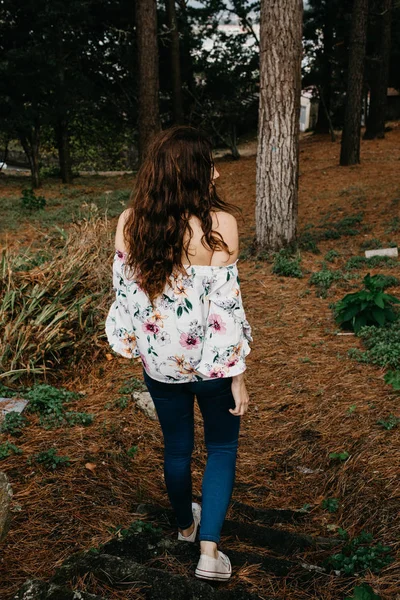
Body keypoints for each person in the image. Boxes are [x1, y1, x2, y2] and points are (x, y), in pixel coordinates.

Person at [105, 125, 252, 581]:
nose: (217, 173)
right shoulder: (221, 225)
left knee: (177, 448)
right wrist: (238, 373)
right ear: (191, 172)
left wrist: (135, 349)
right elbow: (226, 309)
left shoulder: (130, 222)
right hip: (212, 363)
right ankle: (209, 553)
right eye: (209, 164)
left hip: (161, 365)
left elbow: (124, 297)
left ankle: (185, 526)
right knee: (222, 447)